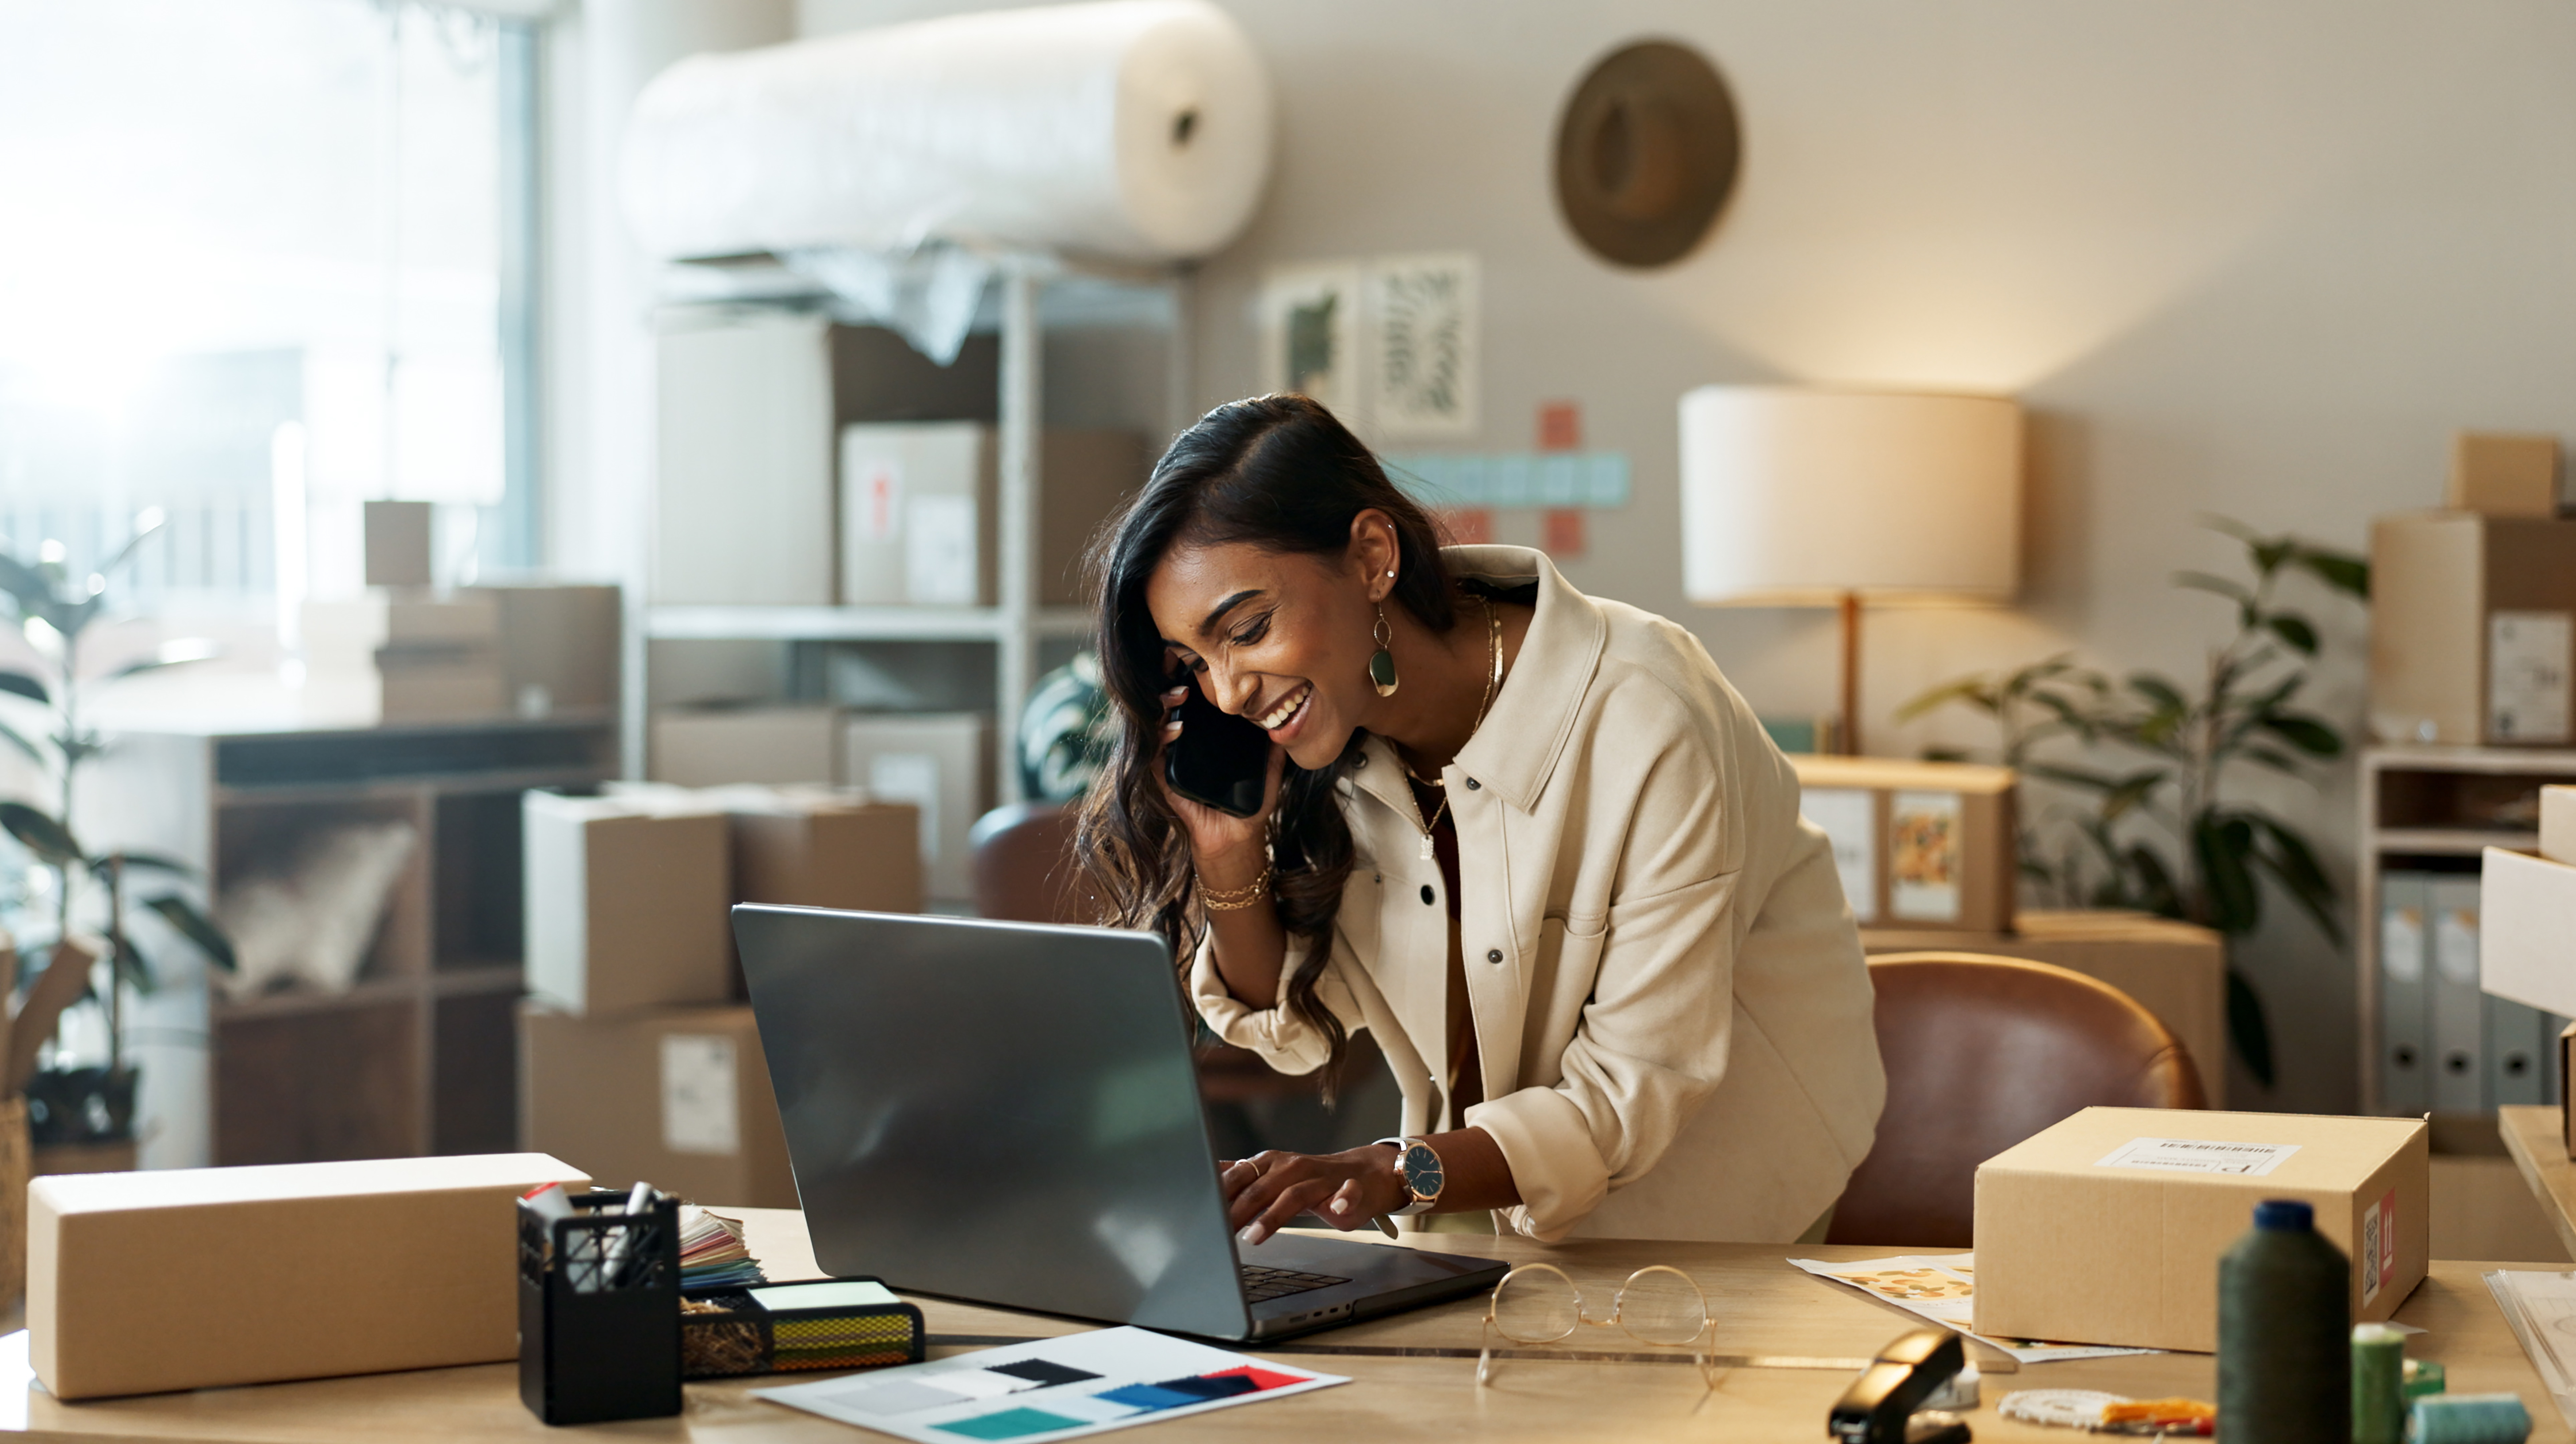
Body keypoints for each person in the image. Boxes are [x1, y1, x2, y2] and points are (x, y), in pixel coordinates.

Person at [1076, 394, 1885, 1246]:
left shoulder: (1645, 711)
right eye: (1197, 663)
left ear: (1371, 557)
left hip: (1717, 1210)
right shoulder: (1335, 744)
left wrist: (1388, 1171)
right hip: (1477, 1215)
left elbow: (1632, 1090)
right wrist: (1227, 853)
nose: (1230, 691)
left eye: (1248, 629)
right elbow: (1295, 1035)